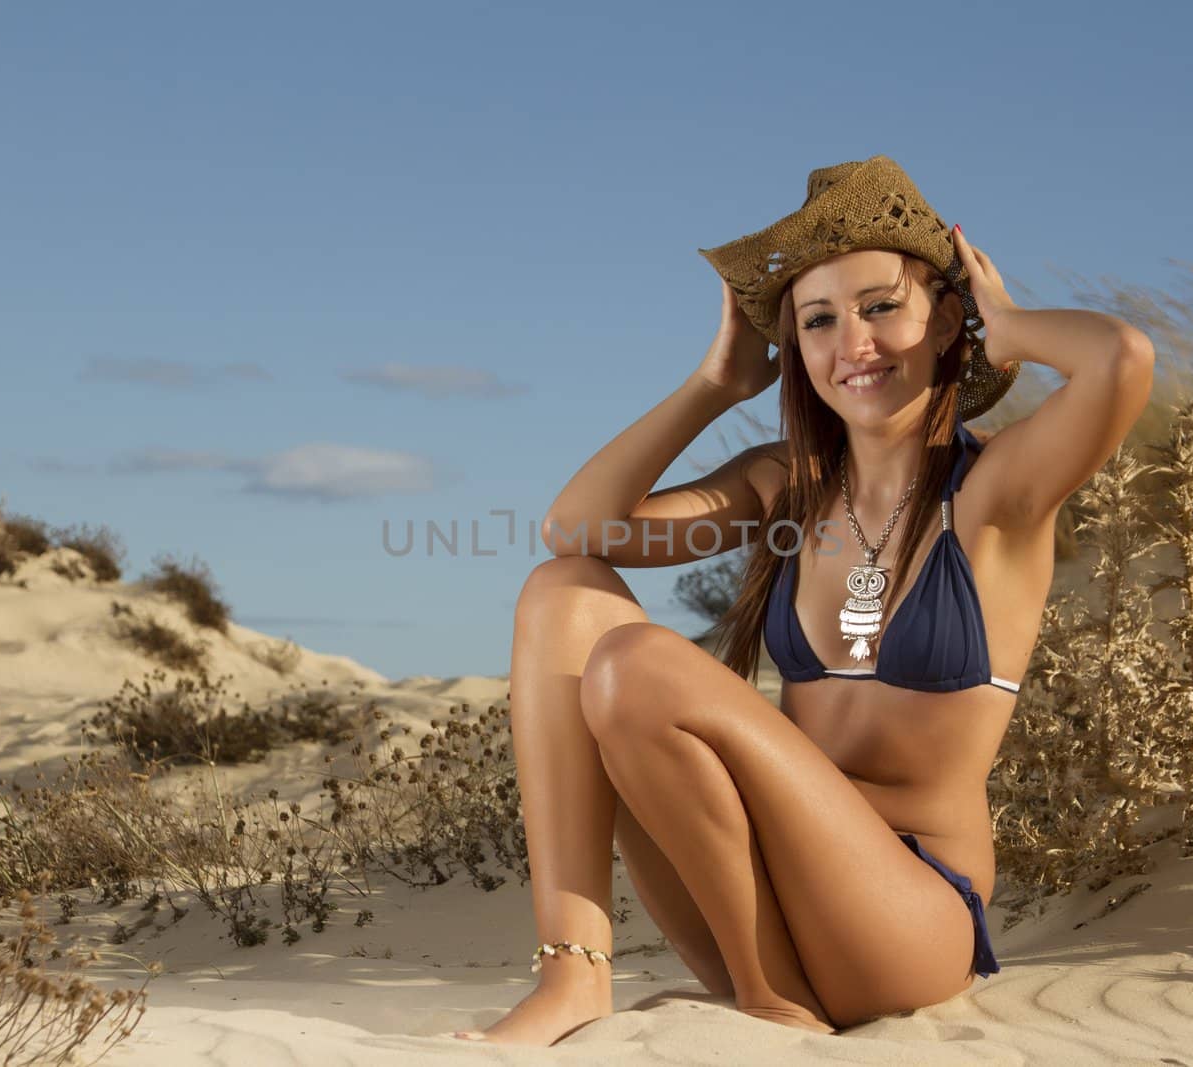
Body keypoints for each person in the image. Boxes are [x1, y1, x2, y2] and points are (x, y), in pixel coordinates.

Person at [450, 155, 1154, 1045]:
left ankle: (771, 1008)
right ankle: (573, 978)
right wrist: (715, 387)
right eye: (818, 320)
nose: (851, 344)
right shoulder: (788, 487)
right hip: (753, 902)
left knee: (636, 662)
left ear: (945, 321)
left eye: (881, 307)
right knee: (564, 597)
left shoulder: (996, 495)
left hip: (905, 920)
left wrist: (1006, 326)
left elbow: (1121, 361)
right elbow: (578, 530)